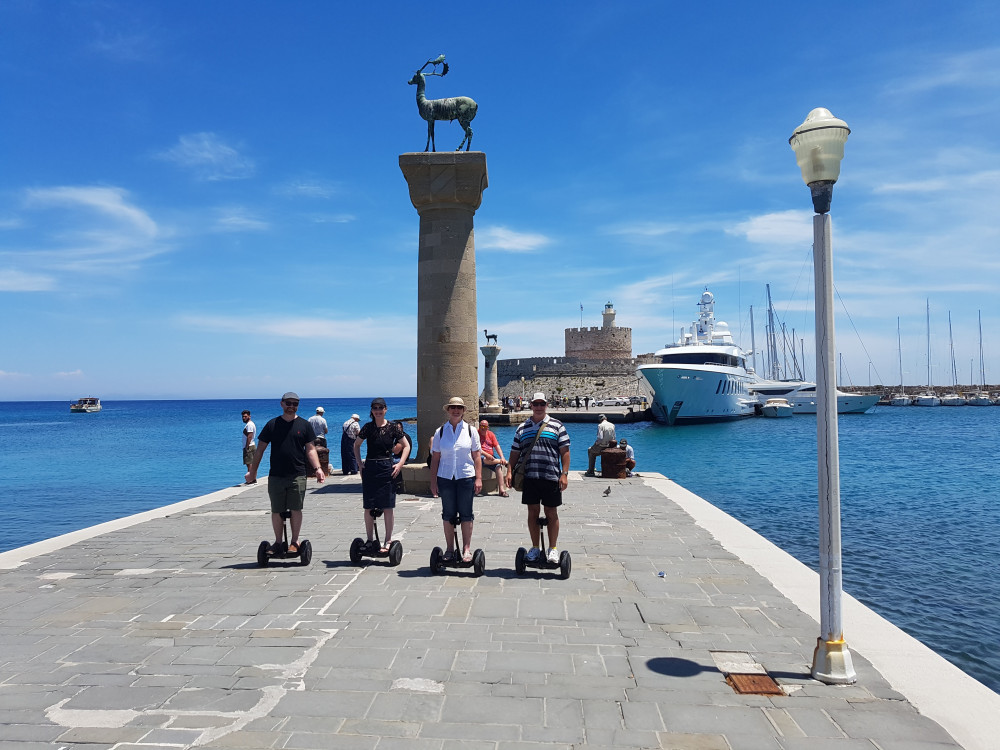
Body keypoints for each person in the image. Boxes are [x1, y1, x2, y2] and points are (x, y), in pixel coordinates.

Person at [245, 392, 325, 555]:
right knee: (276, 510)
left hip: (297, 474)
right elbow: (260, 450)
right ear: (282, 404)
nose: (291, 406)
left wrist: (318, 469)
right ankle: (278, 542)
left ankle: (295, 541)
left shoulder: (304, 425)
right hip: (276, 475)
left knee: (296, 508)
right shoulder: (272, 424)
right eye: (288, 403)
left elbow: (310, 449)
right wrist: (252, 472)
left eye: (295, 404)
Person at [506, 392, 571, 565]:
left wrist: (564, 474)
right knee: (532, 512)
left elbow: (565, 452)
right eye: (536, 404)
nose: (539, 407)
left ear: (546, 405)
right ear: (531, 405)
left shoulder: (557, 426)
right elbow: (514, 454)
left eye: (542, 404)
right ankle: (535, 547)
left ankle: (553, 549)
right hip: (530, 477)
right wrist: (509, 471)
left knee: (551, 512)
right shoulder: (522, 428)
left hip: (551, 476)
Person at [353, 398, 410, 554]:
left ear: (385, 409)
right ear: (372, 410)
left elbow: (406, 446)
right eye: (375, 408)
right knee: (369, 505)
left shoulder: (393, 428)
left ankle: (388, 539)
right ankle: (370, 539)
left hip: (387, 467)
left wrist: (400, 464)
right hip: (370, 466)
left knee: (387, 505)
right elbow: (356, 445)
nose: (378, 410)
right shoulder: (368, 427)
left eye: (381, 408)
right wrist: (359, 464)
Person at [429, 397, 483, 563]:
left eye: (459, 408)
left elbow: (477, 456)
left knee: (466, 514)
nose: (456, 410)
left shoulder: (470, 431)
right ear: (448, 410)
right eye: (453, 407)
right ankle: (450, 549)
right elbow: (435, 459)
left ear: (463, 411)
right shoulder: (441, 432)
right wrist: (433, 482)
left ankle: (467, 549)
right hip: (445, 478)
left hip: (465, 477)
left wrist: (479, 478)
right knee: (448, 514)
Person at [477, 418, 509, 497]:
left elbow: (497, 446)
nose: (483, 428)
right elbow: (476, 448)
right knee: (484, 459)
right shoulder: (476, 434)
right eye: (481, 426)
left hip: (491, 458)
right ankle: (502, 462)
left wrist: (502, 457)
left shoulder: (491, 434)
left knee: (498, 467)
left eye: (485, 427)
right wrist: (486, 454)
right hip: (481, 456)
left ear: (488, 428)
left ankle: (501, 490)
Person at [241, 409, 256, 481]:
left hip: (249, 446)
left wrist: (246, 447)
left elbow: (250, 436)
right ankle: (252, 478)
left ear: (249, 416)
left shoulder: (249, 425)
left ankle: (251, 479)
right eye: (243, 417)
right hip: (251, 445)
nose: (244, 418)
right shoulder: (250, 424)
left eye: (245, 416)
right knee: (251, 463)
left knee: (249, 463)